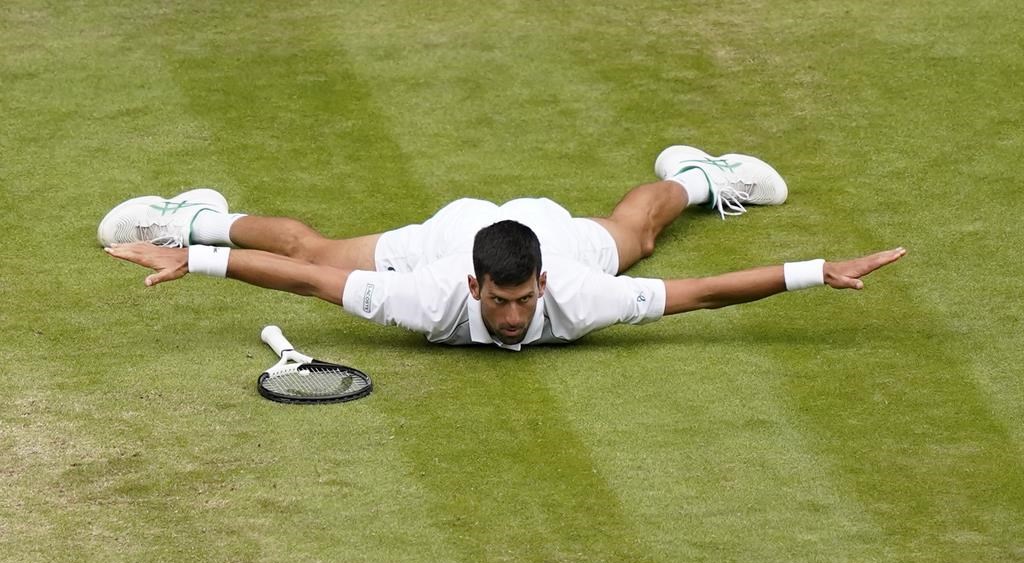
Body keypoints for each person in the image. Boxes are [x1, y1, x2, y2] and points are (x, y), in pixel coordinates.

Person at [100, 145, 905, 350]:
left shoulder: (580, 294)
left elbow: (700, 292)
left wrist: (814, 273)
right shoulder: (428, 290)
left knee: (643, 229)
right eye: (503, 300)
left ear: (542, 284)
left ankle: (698, 174)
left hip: (551, 231)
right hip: (450, 232)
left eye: (524, 300)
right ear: (477, 287)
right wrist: (198, 261)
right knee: (318, 245)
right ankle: (196, 218)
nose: (516, 315)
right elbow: (305, 279)